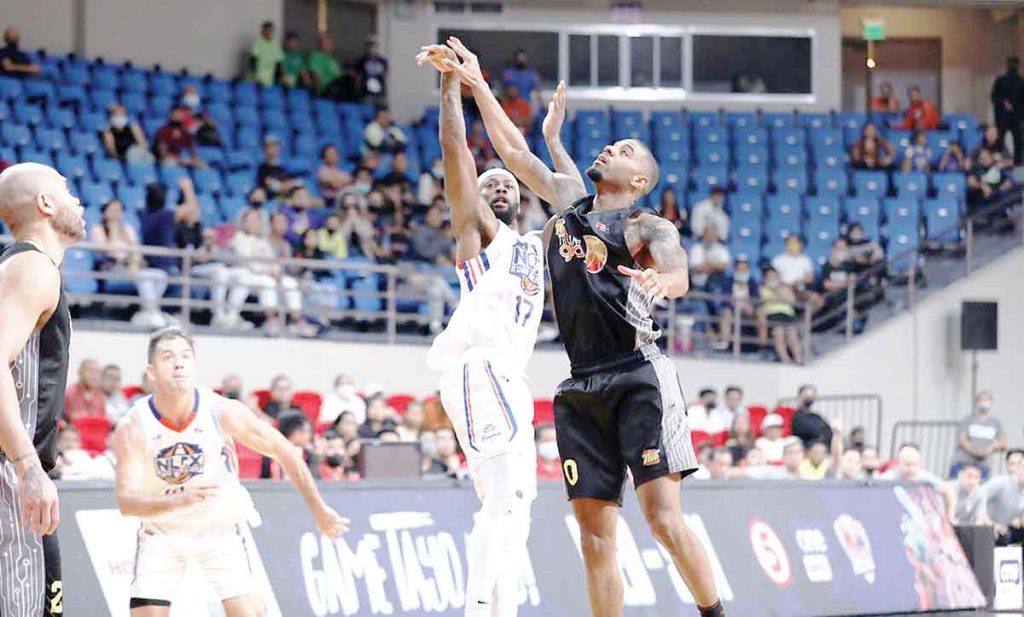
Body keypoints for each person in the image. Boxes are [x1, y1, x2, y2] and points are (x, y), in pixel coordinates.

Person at [436, 37, 724, 617]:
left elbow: (680, 274)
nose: (611, 148)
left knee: (664, 520)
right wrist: (476, 83)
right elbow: (514, 153)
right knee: (595, 539)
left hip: (639, 372)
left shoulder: (647, 225)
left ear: (639, 179)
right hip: (581, 384)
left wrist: (660, 285)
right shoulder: (569, 204)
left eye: (625, 150)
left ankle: (713, 612)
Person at [418, 44, 548, 617]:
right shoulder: (481, 237)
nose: (498, 188)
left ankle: (500, 607)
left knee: (518, 504)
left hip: (510, 379)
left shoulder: (534, 251)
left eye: (507, 185)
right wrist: (452, 86)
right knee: (506, 496)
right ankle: (476, 609)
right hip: (478, 367)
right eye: (490, 185)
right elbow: (455, 152)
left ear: (521, 198)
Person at [111, 328, 348, 614]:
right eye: (168, 356)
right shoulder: (134, 425)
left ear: (195, 365)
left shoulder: (220, 410)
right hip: (162, 533)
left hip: (218, 528)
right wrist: (179, 500)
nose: (178, 363)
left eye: (186, 356)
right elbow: (127, 503)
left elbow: (286, 451)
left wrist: (319, 510)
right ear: (151, 371)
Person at [0, 162, 84, 617]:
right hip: (10, 478)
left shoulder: (20, 267)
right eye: (67, 191)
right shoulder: (32, 267)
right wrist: (28, 464)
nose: (78, 200)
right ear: (45, 203)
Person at [91, 199, 174, 329]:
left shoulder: (127, 229)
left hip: (131, 267)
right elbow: (107, 251)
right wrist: (113, 230)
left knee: (160, 275)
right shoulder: (98, 229)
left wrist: (134, 263)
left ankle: (149, 311)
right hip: (112, 267)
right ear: (104, 212)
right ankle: (153, 313)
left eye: (119, 211)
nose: (116, 214)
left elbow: (136, 250)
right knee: (143, 278)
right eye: (113, 210)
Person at [949, 391, 1006, 479]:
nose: (984, 402)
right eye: (981, 400)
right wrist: (976, 452)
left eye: (987, 400)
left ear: (991, 402)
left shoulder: (996, 422)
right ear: (977, 402)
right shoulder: (967, 419)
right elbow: (962, 440)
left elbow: (1003, 442)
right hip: (962, 463)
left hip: (982, 465)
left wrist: (991, 448)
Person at [757, 267, 803, 364]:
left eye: (774, 276)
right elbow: (762, 302)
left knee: (792, 334)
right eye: (770, 276)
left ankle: (799, 360)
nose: (772, 278)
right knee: (779, 334)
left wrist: (778, 290)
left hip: (787, 314)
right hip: (772, 314)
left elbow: (792, 300)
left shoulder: (784, 288)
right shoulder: (762, 289)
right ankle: (785, 360)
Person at [978, 456, 1024, 545]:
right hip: (983, 525)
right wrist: (990, 523)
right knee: (1002, 536)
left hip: (1003, 527)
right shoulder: (1001, 482)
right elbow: (976, 498)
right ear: (1017, 469)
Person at [991, 57, 1024, 165]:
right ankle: (997, 162)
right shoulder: (1000, 80)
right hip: (1004, 116)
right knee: (1000, 141)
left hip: (1015, 117)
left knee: (1018, 141)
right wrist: (1005, 104)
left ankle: (1017, 163)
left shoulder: (1021, 81)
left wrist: (1013, 107)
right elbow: (994, 97)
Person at [249, 20, 283, 87]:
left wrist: (281, 76)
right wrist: (255, 75)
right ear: (262, 31)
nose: (268, 32)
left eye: (270, 30)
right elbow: (253, 60)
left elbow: (279, 62)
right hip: (259, 76)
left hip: (272, 76)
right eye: (266, 30)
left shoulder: (276, 44)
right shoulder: (257, 43)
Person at [357, 35, 389, 104]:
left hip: (380, 92)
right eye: (370, 45)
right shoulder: (362, 60)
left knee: (381, 111)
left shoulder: (382, 61)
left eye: (374, 45)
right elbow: (358, 76)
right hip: (366, 92)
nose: (372, 47)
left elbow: (384, 75)